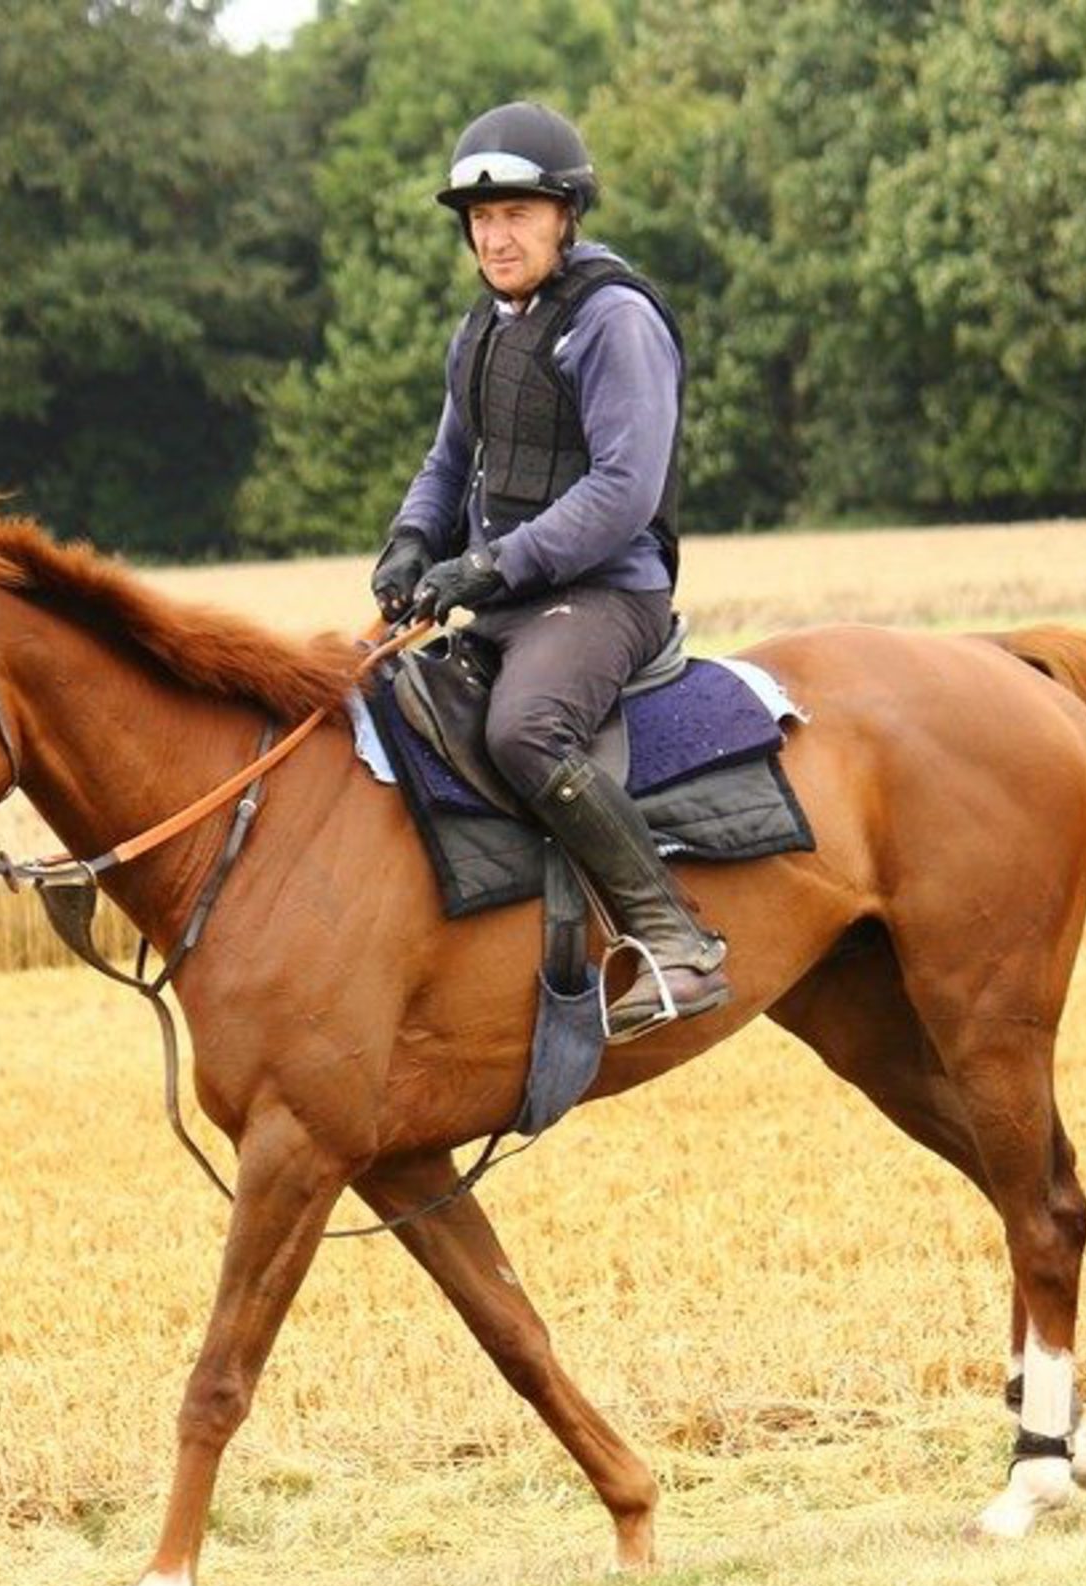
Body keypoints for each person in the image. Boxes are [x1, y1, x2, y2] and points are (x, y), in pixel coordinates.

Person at [369, 100, 728, 1040]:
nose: (496, 236)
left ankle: (676, 938)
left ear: (566, 214)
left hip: (608, 594)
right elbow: (450, 462)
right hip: (515, 595)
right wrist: (412, 541)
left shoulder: (614, 320)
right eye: (481, 219)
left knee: (525, 728)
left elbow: (623, 490)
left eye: (517, 214)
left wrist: (489, 566)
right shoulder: (483, 328)